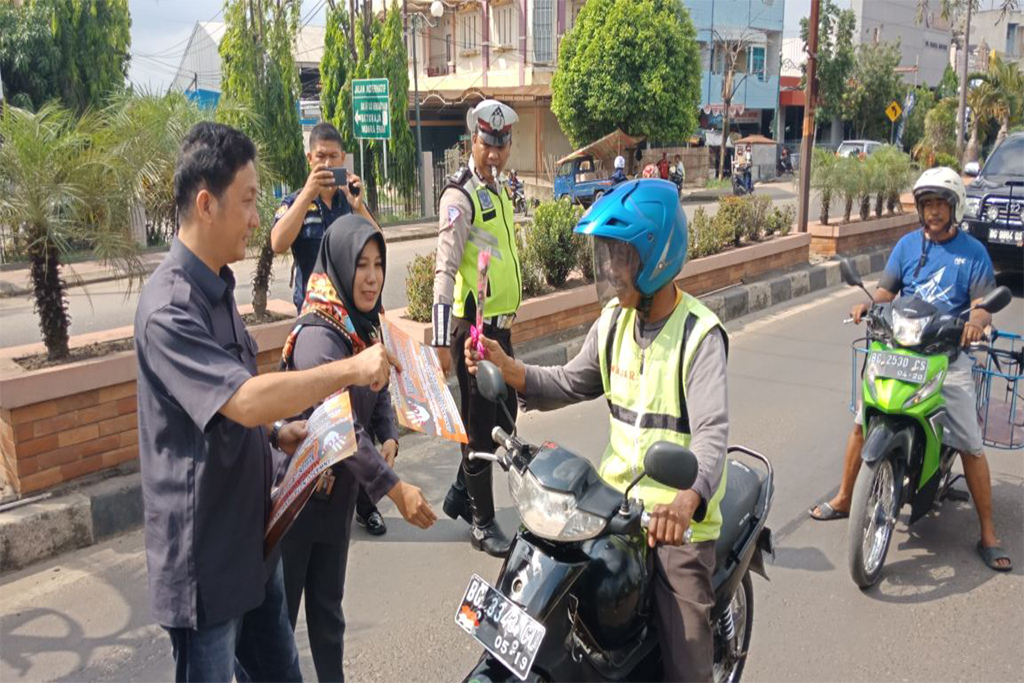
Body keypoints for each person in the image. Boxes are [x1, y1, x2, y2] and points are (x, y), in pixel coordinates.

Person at [134, 121, 398, 682]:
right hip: (205, 563)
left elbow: (230, 408)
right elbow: (242, 399)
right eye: (250, 201)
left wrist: (277, 433)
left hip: (254, 540)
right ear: (206, 205)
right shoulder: (169, 308)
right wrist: (350, 369)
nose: (258, 219)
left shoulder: (218, 287)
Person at [467, 178, 729, 681]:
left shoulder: (700, 337)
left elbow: (712, 436)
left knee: (687, 660)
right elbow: (567, 381)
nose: (609, 267)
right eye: (606, 253)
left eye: (620, 255)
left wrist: (687, 499)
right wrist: (507, 365)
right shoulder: (613, 321)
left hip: (675, 526)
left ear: (655, 259)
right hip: (612, 509)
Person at [808, 167, 1011, 573]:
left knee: (970, 442)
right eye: (927, 205)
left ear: (955, 207)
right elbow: (886, 291)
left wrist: (975, 324)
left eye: (940, 204)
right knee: (863, 421)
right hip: (899, 347)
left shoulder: (972, 253)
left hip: (947, 354)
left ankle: (988, 532)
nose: (933, 212)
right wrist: (869, 305)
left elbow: (982, 306)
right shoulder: (905, 245)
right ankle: (847, 496)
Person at [279, 215, 437, 682]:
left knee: (328, 615)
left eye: (378, 265)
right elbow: (340, 427)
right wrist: (394, 489)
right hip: (297, 503)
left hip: (336, 502)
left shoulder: (363, 326)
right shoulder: (318, 336)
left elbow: (380, 387)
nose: (371, 277)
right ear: (342, 266)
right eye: (362, 265)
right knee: (276, 627)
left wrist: (389, 434)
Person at [270, 121, 388, 535]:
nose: (326, 164)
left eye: (333, 158)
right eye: (319, 157)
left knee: (366, 408)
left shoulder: (347, 201)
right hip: (318, 325)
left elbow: (376, 243)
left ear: (344, 160)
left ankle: (364, 501)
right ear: (309, 159)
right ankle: (318, 491)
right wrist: (305, 194)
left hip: (355, 321)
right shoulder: (296, 202)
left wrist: (358, 204)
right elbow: (277, 242)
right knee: (326, 412)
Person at [432, 99, 523, 557]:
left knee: (506, 415)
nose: (494, 152)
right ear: (474, 140)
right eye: (488, 142)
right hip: (473, 332)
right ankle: (482, 523)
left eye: (501, 144)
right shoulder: (459, 195)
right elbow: (444, 270)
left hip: (500, 332)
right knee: (483, 430)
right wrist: (439, 338)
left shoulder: (500, 188)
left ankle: (459, 492)